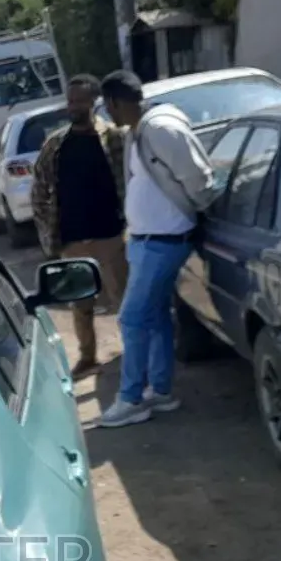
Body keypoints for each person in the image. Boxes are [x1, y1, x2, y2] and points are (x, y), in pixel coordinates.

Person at [96, 69, 214, 428]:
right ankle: (160, 392)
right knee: (157, 316)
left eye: (107, 107)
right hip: (147, 240)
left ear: (115, 103)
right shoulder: (139, 131)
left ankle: (132, 398)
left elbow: (198, 178)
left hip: (163, 241)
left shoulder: (161, 129)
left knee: (132, 318)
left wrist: (199, 212)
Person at [29, 74, 130, 378]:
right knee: (80, 305)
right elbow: (40, 190)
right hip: (72, 238)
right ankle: (88, 357)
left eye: (78, 101)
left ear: (94, 102)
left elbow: (130, 179)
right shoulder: (56, 145)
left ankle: (132, 354)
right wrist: (48, 233)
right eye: (69, 100)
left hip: (111, 234)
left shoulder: (114, 139)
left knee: (123, 301)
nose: (72, 106)